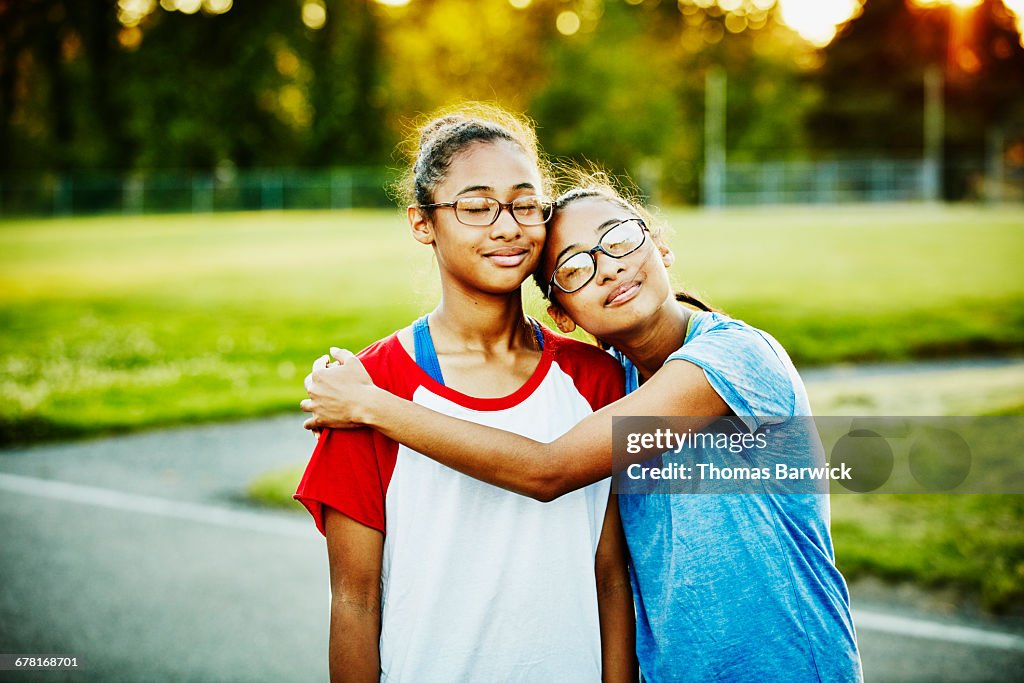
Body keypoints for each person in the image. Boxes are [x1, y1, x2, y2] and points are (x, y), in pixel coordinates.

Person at [302, 179, 864, 682]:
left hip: (789, 666)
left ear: (660, 246)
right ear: (563, 316)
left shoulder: (733, 359)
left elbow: (550, 470)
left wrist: (371, 405)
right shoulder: (609, 383)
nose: (610, 267)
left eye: (619, 238)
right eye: (574, 268)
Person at [293, 107, 637, 682]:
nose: (507, 227)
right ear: (422, 223)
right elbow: (355, 603)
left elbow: (609, 575)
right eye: (476, 207)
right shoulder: (368, 389)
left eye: (526, 205)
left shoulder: (595, 378)